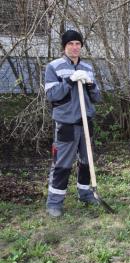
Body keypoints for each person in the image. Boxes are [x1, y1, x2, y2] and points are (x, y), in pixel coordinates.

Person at [44, 29, 101, 217]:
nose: (75, 47)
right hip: (66, 122)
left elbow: (97, 97)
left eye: (78, 44)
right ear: (64, 47)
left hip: (86, 121)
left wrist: (91, 85)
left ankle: (85, 194)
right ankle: (54, 203)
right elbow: (52, 95)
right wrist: (69, 81)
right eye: (71, 44)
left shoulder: (87, 67)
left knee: (86, 161)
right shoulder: (54, 67)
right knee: (62, 164)